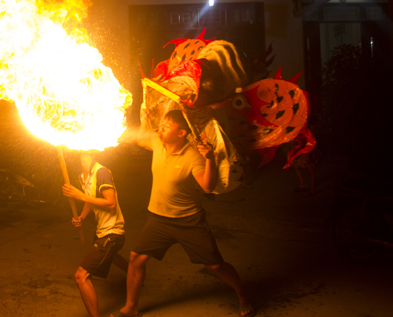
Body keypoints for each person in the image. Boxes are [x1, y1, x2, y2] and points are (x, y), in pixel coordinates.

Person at [113, 110, 253, 317]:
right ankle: (131, 308)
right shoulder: (157, 143)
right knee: (136, 258)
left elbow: (207, 186)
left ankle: (243, 294)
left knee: (215, 266)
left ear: (181, 133)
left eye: (166, 125)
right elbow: (140, 139)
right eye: (161, 124)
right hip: (159, 219)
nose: (161, 128)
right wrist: (145, 117)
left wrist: (209, 158)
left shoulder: (193, 156)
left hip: (188, 221)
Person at [62, 151, 128, 317]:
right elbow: (90, 201)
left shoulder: (102, 172)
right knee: (110, 256)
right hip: (102, 231)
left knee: (80, 277)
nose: (83, 156)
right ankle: (134, 274)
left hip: (113, 233)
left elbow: (111, 203)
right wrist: (81, 218)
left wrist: (79, 195)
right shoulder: (82, 177)